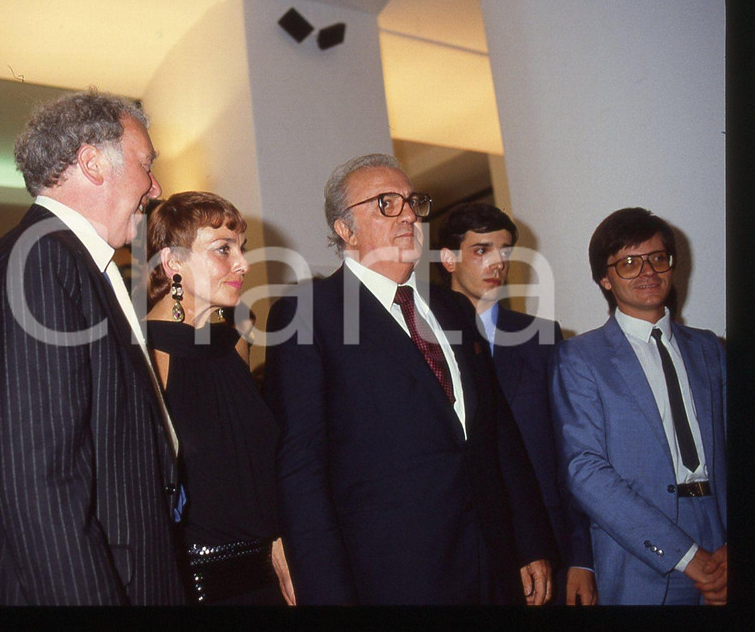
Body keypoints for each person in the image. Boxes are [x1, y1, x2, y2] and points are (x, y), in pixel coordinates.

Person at [263, 154, 556, 605]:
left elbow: (497, 435)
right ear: (345, 229)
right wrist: (325, 592)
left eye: (412, 202)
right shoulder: (310, 312)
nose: (408, 215)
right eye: (385, 203)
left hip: (491, 565)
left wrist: (529, 541)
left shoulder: (452, 309)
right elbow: (301, 468)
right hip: (391, 578)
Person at [0, 90, 185, 605]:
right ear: (91, 163)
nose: (156, 187)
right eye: (147, 165)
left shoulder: (72, 262)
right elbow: (41, 480)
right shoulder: (43, 261)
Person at [551, 207, 727, 605]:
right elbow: (586, 471)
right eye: (628, 263)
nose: (648, 272)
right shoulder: (580, 358)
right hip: (639, 554)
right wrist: (685, 555)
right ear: (604, 278)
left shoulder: (711, 349)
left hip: (721, 534)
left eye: (657, 258)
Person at [438, 202, 596, 605]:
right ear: (448, 259)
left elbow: (570, 453)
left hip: (547, 544)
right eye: (481, 250)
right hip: (460, 550)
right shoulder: (420, 342)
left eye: (505, 251)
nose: (497, 263)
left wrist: (582, 557)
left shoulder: (542, 338)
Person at [145, 191, 294, 606]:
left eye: (240, 248)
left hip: (269, 572)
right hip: (193, 582)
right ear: (173, 263)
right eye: (222, 250)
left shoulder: (234, 340)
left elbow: (254, 464)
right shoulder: (140, 350)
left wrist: (282, 542)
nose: (243, 263)